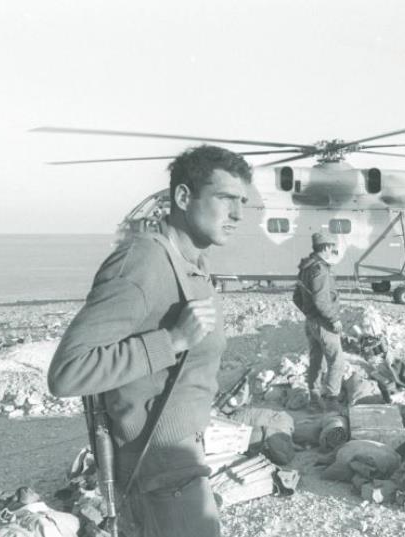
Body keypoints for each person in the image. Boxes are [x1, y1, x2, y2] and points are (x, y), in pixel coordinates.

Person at [47, 145, 252, 537]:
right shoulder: (143, 262)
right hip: (158, 468)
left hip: (179, 461)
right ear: (182, 197)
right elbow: (68, 372)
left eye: (241, 201)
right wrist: (171, 341)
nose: (238, 213)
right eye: (225, 198)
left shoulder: (190, 262)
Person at [295, 232, 345, 413]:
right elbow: (322, 301)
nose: (333, 250)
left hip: (311, 322)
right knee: (337, 361)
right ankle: (331, 400)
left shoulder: (306, 267)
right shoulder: (320, 269)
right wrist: (334, 319)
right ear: (325, 247)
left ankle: (314, 399)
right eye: (332, 247)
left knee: (316, 360)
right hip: (324, 323)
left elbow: (296, 297)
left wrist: (309, 313)